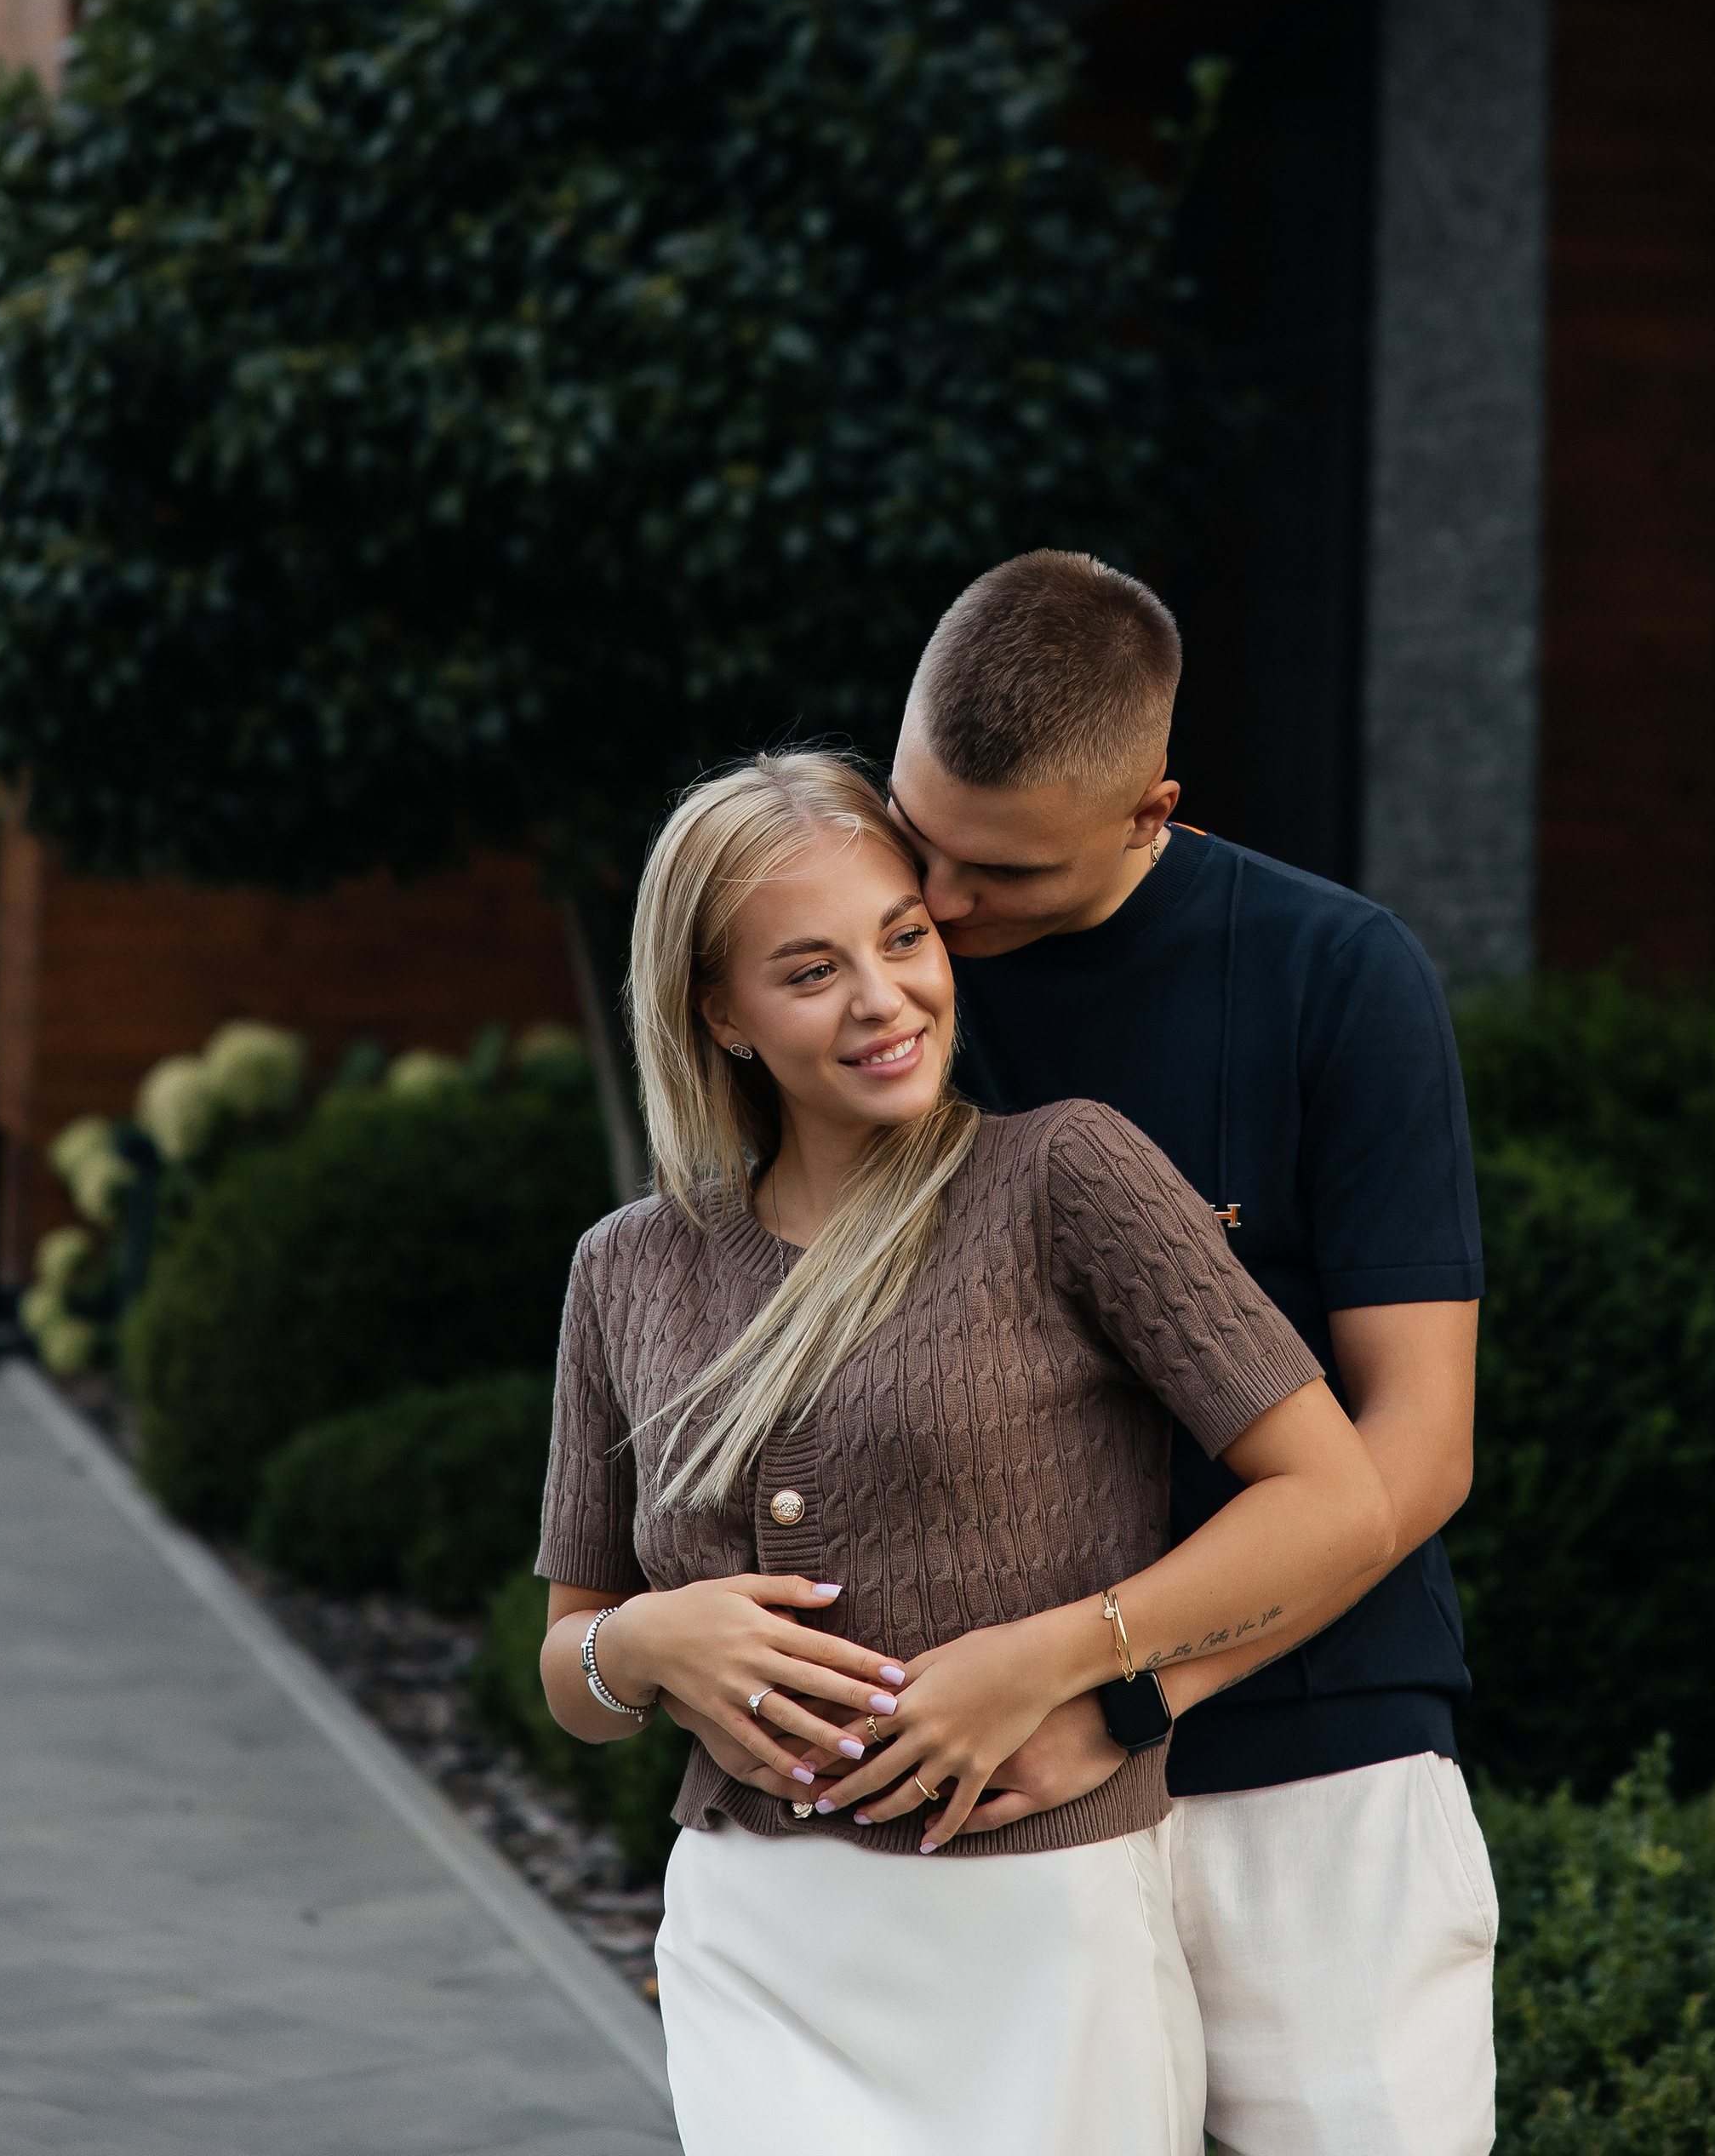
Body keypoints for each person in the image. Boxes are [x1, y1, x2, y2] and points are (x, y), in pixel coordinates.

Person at [534, 750, 1392, 2155]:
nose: (885, 999)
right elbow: (568, 1664)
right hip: (758, 1935)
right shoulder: (626, 1268)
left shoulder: (1067, 1178)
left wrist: (1066, 1655)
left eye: (905, 937)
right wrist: (643, 1646)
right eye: (809, 972)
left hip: (1044, 1926)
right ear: (720, 1014)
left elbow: (1336, 1501)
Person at [886, 550, 1495, 2156]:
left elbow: (1419, 1448)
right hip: (993, 1785)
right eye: (919, 838)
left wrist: (1119, 1693)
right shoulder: (876, 978)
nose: (940, 911)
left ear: (1154, 808)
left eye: (1000, 873)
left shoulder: (1334, 976)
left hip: (1315, 1764)